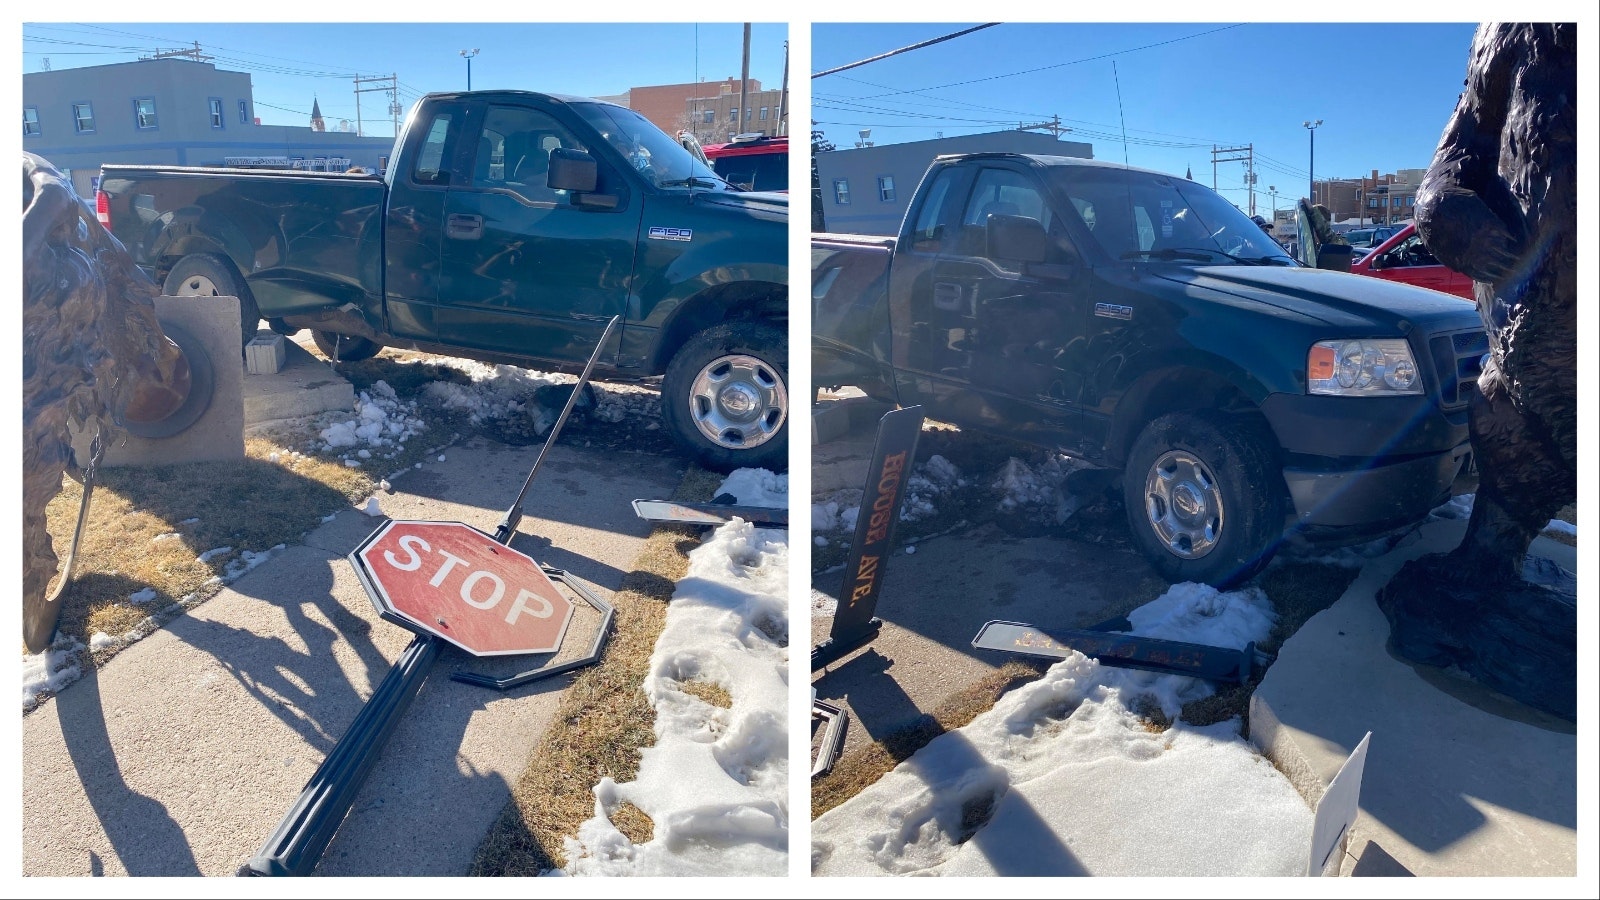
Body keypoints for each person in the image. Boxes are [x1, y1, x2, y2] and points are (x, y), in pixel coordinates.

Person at [1308, 203, 1352, 271]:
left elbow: (1326, 235)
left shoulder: (1337, 242)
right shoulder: (1315, 247)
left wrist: (1313, 211)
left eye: (1314, 226)